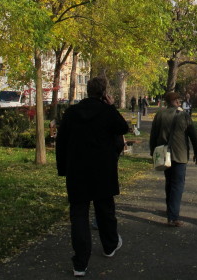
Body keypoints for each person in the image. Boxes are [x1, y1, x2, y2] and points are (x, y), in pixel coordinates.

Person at [56, 77, 130, 278]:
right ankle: (110, 245)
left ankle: (80, 263)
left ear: (87, 91)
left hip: (77, 171)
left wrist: (63, 168)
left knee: (79, 215)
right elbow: (123, 128)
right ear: (104, 92)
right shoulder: (107, 112)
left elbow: (61, 142)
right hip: (102, 171)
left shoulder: (71, 113)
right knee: (105, 210)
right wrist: (112, 106)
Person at [149, 91, 197, 227]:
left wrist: (152, 152)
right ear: (177, 101)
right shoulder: (184, 115)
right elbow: (193, 136)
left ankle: (169, 209)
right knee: (177, 185)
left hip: (164, 153)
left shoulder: (159, 115)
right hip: (180, 154)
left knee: (169, 182)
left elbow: (153, 135)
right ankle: (173, 217)